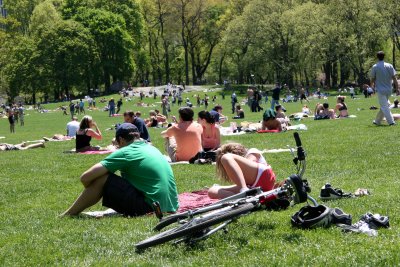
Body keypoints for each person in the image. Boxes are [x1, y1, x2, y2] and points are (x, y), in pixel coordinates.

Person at [61, 123, 179, 216]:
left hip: (151, 208)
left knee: (102, 178)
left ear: (121, 140)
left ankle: (69, 214)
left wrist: (94, 188)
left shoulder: (125, 152)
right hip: (171, 206)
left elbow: (85, 177)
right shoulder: (152, 149)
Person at [208, 143, 276, 199]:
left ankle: (244, 190)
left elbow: (250, 161)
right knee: (212, 191)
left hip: (263, 176)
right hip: (253, 187)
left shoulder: (252, 151)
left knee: (226, 157)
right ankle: (241, 198)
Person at [370, 51, 399, 126]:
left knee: (384, 106)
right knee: (385, 105)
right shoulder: (389, 65)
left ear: (377, 57)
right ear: (384, 56)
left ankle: (391, 122)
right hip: (389, 89)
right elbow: (394, 78)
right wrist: (397, 88)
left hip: (380, 90)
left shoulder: (375, 66)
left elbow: (372, 79)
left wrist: (371, 87)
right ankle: (377, 121)